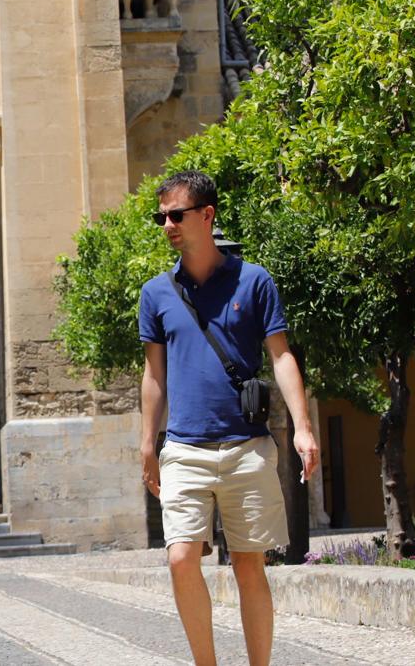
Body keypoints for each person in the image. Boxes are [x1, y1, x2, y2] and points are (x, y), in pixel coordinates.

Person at [138, 171, 320, 666]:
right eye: (162, 217)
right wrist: (147, 443)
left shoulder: (254, 280)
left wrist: (303, 427)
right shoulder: (156, 293)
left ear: (207, 215)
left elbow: (281, 357)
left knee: (249, 565)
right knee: (180, 558)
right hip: (184, 448)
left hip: (247, 447)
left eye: (177, 214)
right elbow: (154, 375)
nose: (168, 225)